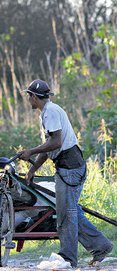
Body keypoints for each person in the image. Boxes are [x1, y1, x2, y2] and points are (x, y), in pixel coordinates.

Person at [18, 79, 113, 268]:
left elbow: (56, 143)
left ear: (34, 97)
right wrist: (32, 170)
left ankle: (68, 258)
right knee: (72, 212)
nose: (28, 100)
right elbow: (48, 148)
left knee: (66, 215)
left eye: (29, 96)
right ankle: (101, 245)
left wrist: (30, 151)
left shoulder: (50, 112)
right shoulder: (49, 111)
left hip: (70, 168)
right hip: (68, 166)